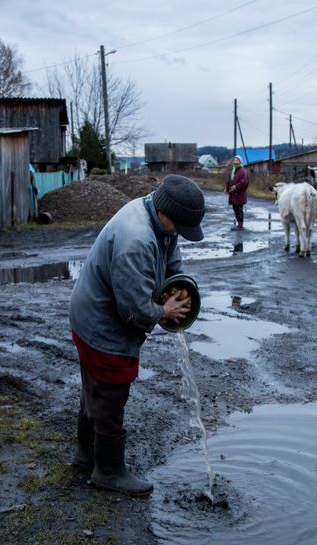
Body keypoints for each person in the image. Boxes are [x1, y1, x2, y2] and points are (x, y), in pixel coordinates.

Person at [68, 174, 205, 497]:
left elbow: (171, 256)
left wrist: (178, 284)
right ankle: (108, 472)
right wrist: (165, 312)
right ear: (166, 215)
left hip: (92, 312)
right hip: (101, 323)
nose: (180, 236)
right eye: (181, 228)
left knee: (94, 391)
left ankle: (85, 455)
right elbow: (134, 311)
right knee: (110, 394)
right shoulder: (136, 240)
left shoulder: (157, 214)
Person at [225, 155, 249, 230]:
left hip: (239, 194)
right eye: (234, 160)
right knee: (235, 208)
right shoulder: (233, 170)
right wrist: (227, 187)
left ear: (240, 162)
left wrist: (235, 187)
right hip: (233, 194)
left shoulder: (243, 171)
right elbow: (229, 180)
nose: (235, 162)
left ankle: (240, 224)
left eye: (237, 160)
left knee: (239, 209)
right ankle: (239, 222)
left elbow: (244, 182)